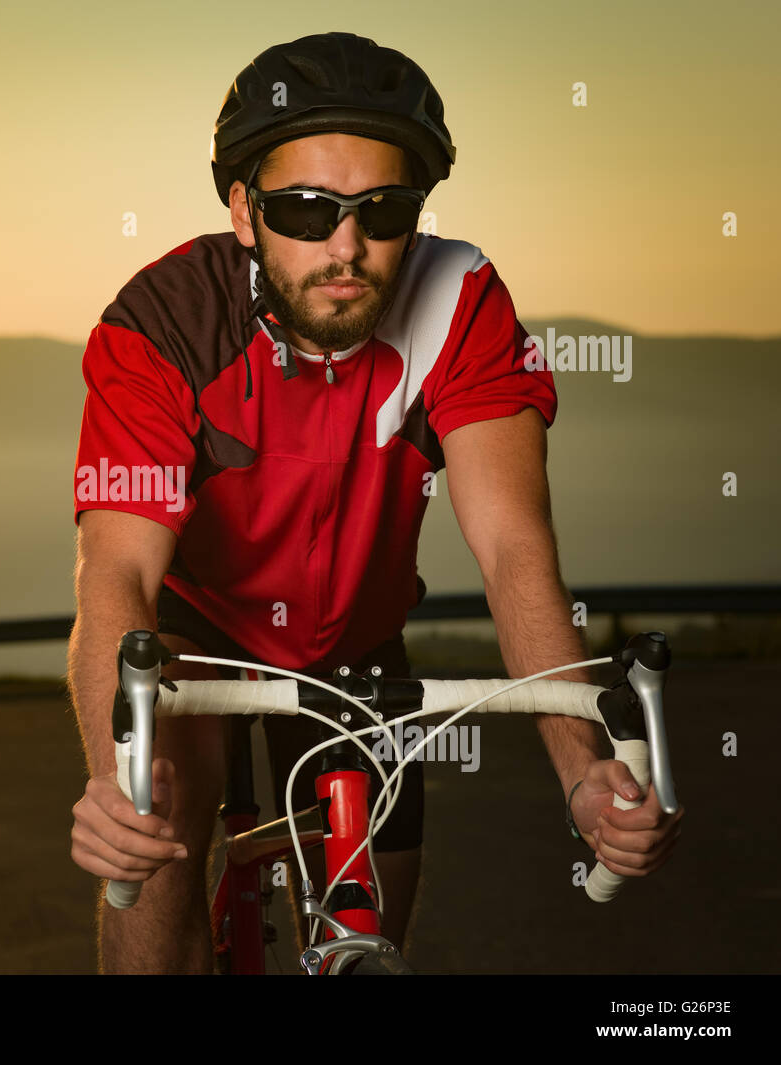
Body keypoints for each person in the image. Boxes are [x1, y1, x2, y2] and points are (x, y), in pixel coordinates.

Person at [66, 31, 682, 975]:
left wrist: (584, 769)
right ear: (244, 210)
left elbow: (515, 549)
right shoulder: (160, 325)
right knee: (152, 849)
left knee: (368, 939)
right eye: (306, 210)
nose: (345, 246)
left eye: (382, 209)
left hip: (352, 640)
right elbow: (115, 569)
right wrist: (115, 781)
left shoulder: (462, 300)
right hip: (192, 632)